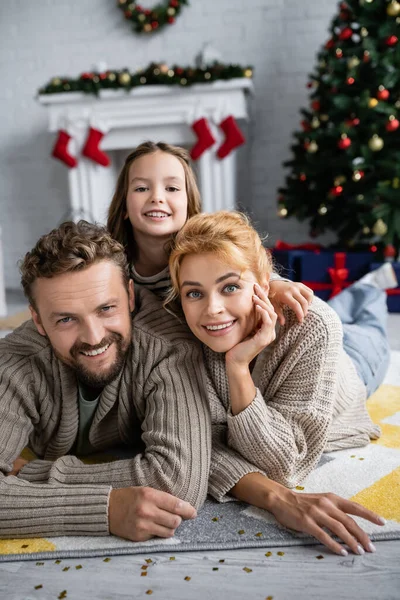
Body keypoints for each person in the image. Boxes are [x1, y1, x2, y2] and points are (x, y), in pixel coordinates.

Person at [166, 210, 396, 556]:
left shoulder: (316, 327)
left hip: (352, 367)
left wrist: (238, 371)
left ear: (263, 283)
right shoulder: (184, 339)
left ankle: (369, 290)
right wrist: (238, 363)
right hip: (295, 331)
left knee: (370, 326)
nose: (212, 309)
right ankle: (357, 292)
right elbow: (198, 447)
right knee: (342, 308)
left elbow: (281, 465)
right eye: (194, 294)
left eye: (229, 287)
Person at [0, 220, 212, 541]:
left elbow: (178, 481)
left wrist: (34, 473)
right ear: (38, 321)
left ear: (129, 296)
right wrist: (107, 509)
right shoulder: (18, 361)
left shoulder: (169, 346)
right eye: (66, 319)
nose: (94, 337)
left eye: (106, 308)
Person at [107, 141, 313, 325]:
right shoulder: (111, 265)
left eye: (171, 188)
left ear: (189, 204)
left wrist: (276, 285)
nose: (157, 197)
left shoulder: (204, 251)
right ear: (124, 205)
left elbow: (243, 263)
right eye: (142, 188)